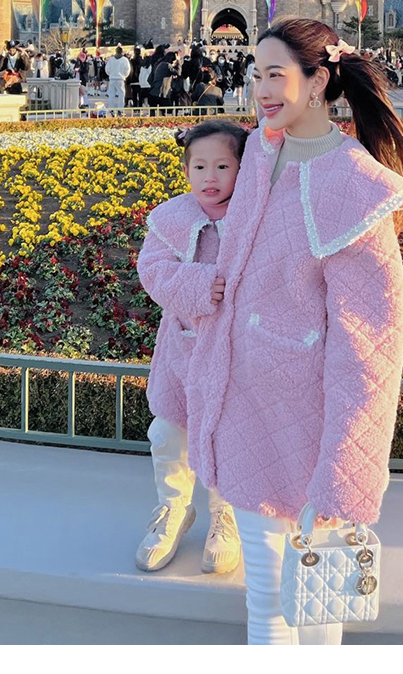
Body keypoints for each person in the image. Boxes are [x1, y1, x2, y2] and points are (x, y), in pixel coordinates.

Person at [176, 17, 403, 645]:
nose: (260, 89)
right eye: (254, 74)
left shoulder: (353, 186)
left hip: (309, 426)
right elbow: (219, 252)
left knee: (317, 610)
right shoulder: (260, 152)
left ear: (317, 81)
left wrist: (345, 472)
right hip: (244, 412)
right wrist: (189, 288)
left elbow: (368, 345)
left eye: (275, 75)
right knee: (266, 602)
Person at [136, 121, 248, 577]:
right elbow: (152, 269)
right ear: (185, 169)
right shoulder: (171, 217)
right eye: (199, 166)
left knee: (226, 434)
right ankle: (174, 508)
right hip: (182, 348)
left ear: (242, 169)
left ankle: (227, 514)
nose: (210, 177)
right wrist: (201, 284)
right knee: (168, 432)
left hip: (235, 350)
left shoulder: (253, 216)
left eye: (222, 166)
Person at [105, 45, 132, 113]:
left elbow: (107, 69)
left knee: (111, 95)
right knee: (121, 94)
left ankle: (111, 109)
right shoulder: (125, 60)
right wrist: (124, 76)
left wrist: (110, 74)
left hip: (112, 79)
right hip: (120, 79)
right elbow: (127, 70)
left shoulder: (111, 59)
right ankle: (120, 109)